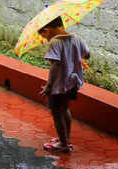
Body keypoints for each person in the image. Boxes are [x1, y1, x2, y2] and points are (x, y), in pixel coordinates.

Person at [38, 16, 90, 153]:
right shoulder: (77, 39)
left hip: (58, 85)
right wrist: (75, 55)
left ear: (47, 30)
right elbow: (87, 54)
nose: (45, 40)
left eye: (44, 36)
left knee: (56, 112)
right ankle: (65, 138)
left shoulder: (55, 42)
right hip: (72, 83)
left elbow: (55, 66)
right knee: (65, 108)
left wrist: (49, 86)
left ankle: (63, 144)